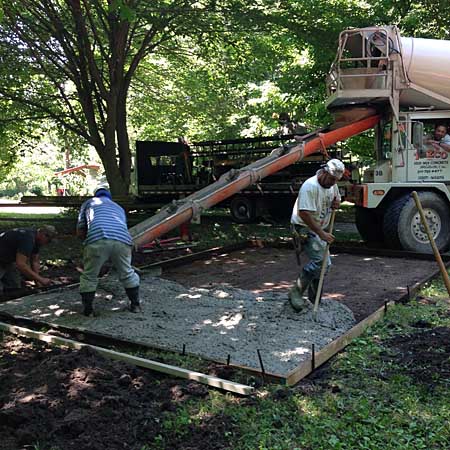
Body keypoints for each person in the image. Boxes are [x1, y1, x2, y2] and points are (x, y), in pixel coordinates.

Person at [289, 159, 345, 312]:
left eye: (336, 181)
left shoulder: (332, 185)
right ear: (324, 172)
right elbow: (305, 214)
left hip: (319, 229)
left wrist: (337, 203)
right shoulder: (310, 186)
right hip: (304, 228)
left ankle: (314, 299)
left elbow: (336, 198)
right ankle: (296, 292)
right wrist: (322, 234)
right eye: (332, 179)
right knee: (322, 262)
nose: (334, 183)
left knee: (324, 266)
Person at [76, 187, 140, 316]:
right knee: (127, 272)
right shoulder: (118, 207)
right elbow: (121, 227)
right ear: (109, 197)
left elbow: (80, 229)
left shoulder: (89, 203)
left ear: (96, 196)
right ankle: (135, 305)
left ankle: (88, 310)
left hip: (97, 239)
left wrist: (86, 245)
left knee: (89, 275)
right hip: (123, 241)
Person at [0, 225, 57, 294]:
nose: (47, 244)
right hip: (3, 258)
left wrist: (38, 282)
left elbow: (34, 261)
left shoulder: (37, 241)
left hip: (7, 260)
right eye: (48, 241)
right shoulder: (27, 238)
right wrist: (41, 279)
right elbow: (21, 264)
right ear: (43, 235)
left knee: (14, 285)